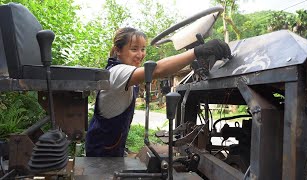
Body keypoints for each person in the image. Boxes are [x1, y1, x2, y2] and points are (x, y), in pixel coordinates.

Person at [85, 27, 231, 157]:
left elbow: (166, 68)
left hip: (110, 146)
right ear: (118, 50)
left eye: (143, 49)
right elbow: (157, 70)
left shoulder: (121, 70)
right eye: (134, 49)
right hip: (101, 151)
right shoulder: (118, 72)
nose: (140, 54)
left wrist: (192, 57)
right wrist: (196, 52)